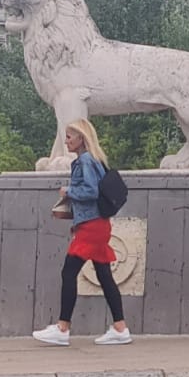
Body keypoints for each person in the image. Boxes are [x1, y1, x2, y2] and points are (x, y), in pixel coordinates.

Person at [33, 119, 132, 347]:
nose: (66, 141)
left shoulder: (85, 161)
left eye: (69, 136)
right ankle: (120, 327)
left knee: (69, 272)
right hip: (97, 224)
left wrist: (69, 190)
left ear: (81, 138)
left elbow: (90, 191)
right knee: (104, 275)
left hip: (92, 225)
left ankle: (62, 328)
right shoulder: (92, 160)